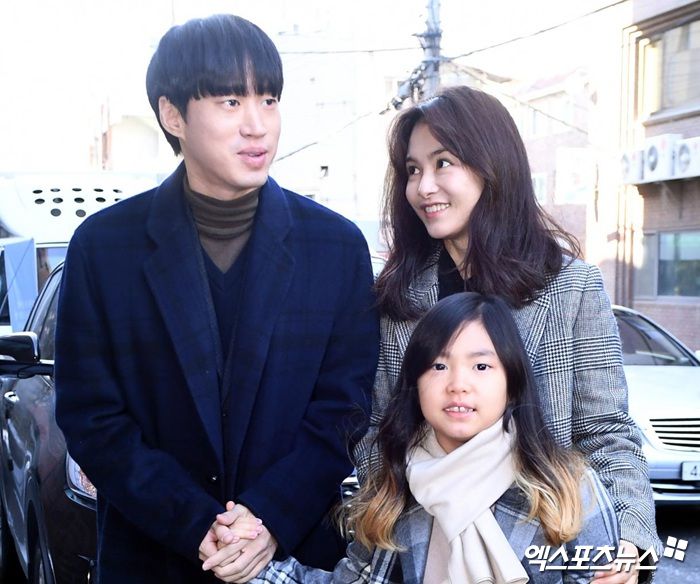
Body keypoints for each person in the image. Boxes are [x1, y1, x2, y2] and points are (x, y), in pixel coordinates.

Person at [54, 14, 379, 584]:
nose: (257, 125)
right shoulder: (104, 248)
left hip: (296, 556)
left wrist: (269, 518)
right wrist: (193, 523)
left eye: (269, 100)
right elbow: (93, 417)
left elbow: (345, 409)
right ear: (173, 115)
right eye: (231, 101)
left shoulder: (335, 246)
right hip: (152, 558)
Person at [351, 86, 660, 584]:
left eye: (443, 163)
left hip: (543, 546)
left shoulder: (571, 286)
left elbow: (606, 430)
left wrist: (631, 539)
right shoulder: (398, 297)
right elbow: (377, 428)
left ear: (492, 166)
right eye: (412, 170)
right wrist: (398, 517)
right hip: (427, 547)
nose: (423, 186)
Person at [210, 292, 621, 583]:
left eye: (481, 367)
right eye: (438, 366)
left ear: (512, 383)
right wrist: (244, 558)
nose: (458, 384)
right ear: (415, 383)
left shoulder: (567, 489)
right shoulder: (395, 490)